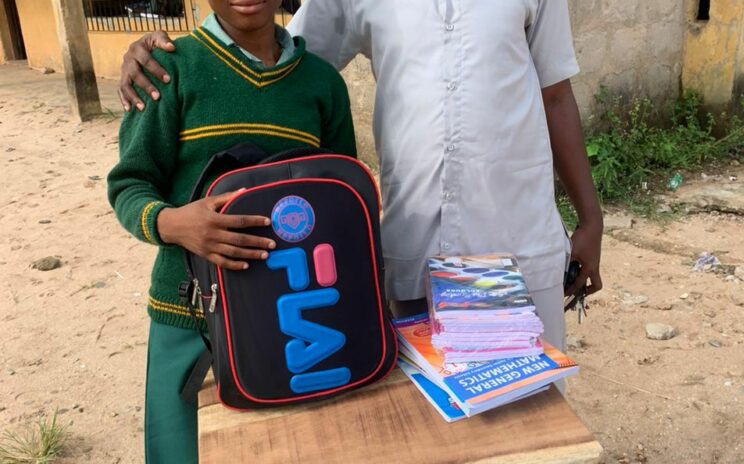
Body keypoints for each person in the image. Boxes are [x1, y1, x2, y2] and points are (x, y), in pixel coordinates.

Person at [118, 1, 603, 352]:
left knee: (529, 405)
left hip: (515, 230)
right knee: (426, 406)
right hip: (417, 241)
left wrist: (590, 219)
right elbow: (274, 61)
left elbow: (555, 94)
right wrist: (167, 55)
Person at [107, 0, 356, 464]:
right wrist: (175, 224)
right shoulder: (169, 68)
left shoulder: (321, 84)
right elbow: (129, 184)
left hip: (300, 325)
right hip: (189, 320)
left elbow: (340, 201)